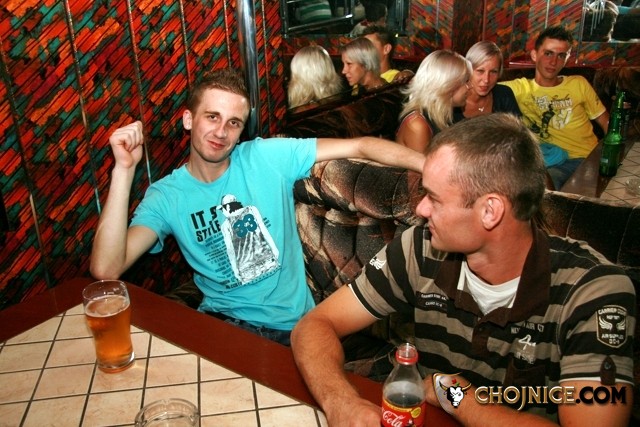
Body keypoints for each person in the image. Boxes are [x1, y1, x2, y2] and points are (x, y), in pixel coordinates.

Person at [291, 113, 635, 426]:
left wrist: (457, 397)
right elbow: (315, 325)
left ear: (490, 211)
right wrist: (340, 402)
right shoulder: (419, 248)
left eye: (434, 198)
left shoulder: (594, 290)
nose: (421, 210)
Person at [90, 68, 424, 346]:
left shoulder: (266, 156)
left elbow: (361, 146)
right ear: (188, 119)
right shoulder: (167, 195)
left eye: (234, 122)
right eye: (212, 117)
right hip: (219, 326)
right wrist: (124, 169)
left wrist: (431, 166)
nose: (221, 132)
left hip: (290, 330)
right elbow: (106, 269)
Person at [501, 26, 609, 190]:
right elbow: (482, 84)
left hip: (587, 158)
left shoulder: (578, 83)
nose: (553, 62)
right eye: (548, 53)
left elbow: (606, 122)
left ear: (567, 59)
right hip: (551, 163)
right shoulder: (519, 88)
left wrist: (610, 156)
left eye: (561, 55)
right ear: (534, 55)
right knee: (540, 186)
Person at [395, 49, 471, 153]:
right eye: (465, 81)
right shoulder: (417, 125)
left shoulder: (447, 113)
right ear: (447, 85)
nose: (469, 87)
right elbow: (423, 164)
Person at [453, 40, 521, 121]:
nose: (486, 80)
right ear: (468, 70)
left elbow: (519, 128)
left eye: (493, 72)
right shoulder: (452, 101)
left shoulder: (504, 95)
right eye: (480, 71)